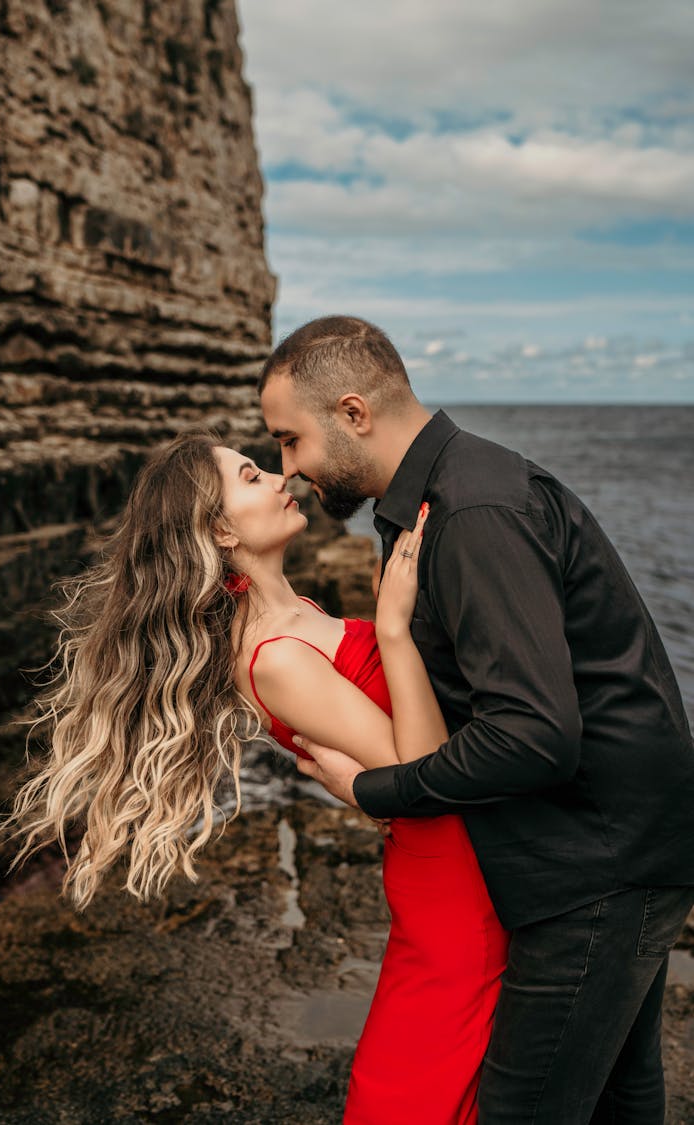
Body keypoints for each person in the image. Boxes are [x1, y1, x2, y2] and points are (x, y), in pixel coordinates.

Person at [259, 314, 694, 1125]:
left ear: (354, 413)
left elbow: (535, 733)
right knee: (619, 1096)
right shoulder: (435, 500)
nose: (289, 469)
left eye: (291, 440)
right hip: (622, 844)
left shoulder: (472, 510)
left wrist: (378, 788)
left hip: (597, 865)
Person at [6, 432, 508, 1124]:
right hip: (449, 879)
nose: (279, 478)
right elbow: (422, 774)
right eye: (251, 475)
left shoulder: (292, 609)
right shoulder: (272, 657)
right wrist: (392, 628)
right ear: (219, 528)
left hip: (462, 861)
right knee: (417, 1090)